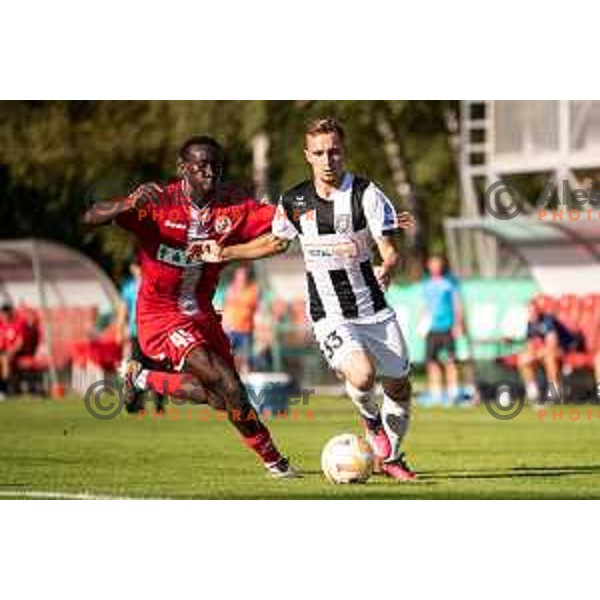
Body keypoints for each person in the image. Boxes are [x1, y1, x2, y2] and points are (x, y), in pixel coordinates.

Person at [193, 117, 418, 481]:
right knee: (362, 375)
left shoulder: (367, 194)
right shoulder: (295, 200)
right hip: (329, 311)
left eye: (334, 151)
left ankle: (389, 458)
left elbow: (390, 249)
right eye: (319, 153)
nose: (328, 159)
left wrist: (388, 265)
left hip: (374, 308)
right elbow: (276, 241)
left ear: (343, 153)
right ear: (307, 156)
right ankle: (370, 421)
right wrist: (226, 252)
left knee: (399, 386)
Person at [82, 135, 298, 478]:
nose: (210, 172)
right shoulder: (157, 202)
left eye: (216, 165)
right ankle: (277, 463)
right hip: (161, 315)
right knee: (229, 383)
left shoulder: (234, 205)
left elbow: (283, 226)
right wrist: (126, 204)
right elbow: (92, 215)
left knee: (220, 397)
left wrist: (314, 210)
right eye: (201, 166)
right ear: (182, 169)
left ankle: (143, 378)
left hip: (202, 312)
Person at [519, 296, 584, 404]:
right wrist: (531, 354)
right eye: (529, 311)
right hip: (548, 351)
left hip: (567, 348)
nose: (531, 313)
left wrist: (536, 354)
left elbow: (552, 344)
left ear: (539, 310)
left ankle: (554, 392)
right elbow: (530, 345)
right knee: (523, 358)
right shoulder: (530, 323)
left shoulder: (547, 320)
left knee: (549, 357)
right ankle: (532, 392)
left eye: (533, 310)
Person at [420, 255, 465, 404]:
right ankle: (436, 393)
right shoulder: (426, 284)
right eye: (433, 264)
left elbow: (457, 304)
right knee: (432, 362)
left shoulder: (450, 283)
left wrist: (458, 324)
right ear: (429, 266)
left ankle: (453, 393)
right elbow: (425, 306)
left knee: (450, 360)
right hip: (431, 328)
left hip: (447, 326)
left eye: (438, 264)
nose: (435, 266)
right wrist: (422, 323)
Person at [223, 265, 259, 374]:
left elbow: (251, 304)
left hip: (245, 329)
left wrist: (237, 297)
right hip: (230, 330)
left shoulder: (252, 290)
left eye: (243, 275)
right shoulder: (230, 289)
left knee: (246, 357)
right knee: (227, 356)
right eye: (239, 275)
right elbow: (227, 307)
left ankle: (247, 379)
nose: (241, 277)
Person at [0, 303, 26, 398]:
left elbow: (20, 343)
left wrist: (10, 352)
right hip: (2, 352)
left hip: (15, 353)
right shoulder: (0, 325)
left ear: (10, 313)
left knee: (4, 360)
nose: (4, 316)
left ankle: (3, 390)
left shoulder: (17, 324)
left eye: (6, 313)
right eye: (2, 313)